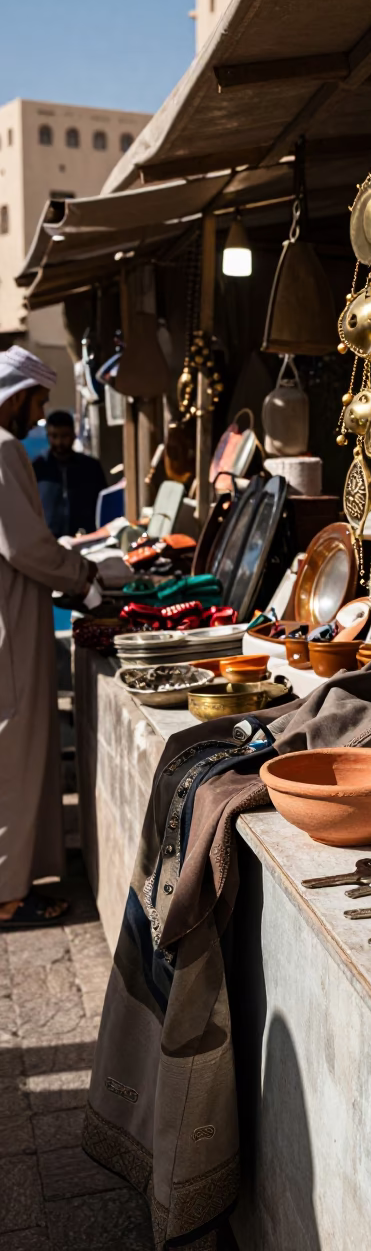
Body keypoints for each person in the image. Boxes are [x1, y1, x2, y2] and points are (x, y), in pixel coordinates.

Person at [0, 347, 97, 926]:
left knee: (19, 750)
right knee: (14, 753)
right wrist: (82, 575)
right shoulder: (5, 448)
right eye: (37, 402)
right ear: (15, 396)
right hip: (11, 623)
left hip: (14, 613)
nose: (40, 417)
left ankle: (16, 879)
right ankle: (8, 895)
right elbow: (26, 547)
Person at [33, 408, 107, 537]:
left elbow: (103, 506)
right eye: (54, 436)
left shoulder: (90, 467)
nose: (59, 442)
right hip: (48, 544)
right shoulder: (38, 468)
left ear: (73, 435)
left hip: (87, 542)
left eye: (64, 436)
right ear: (48, 436)